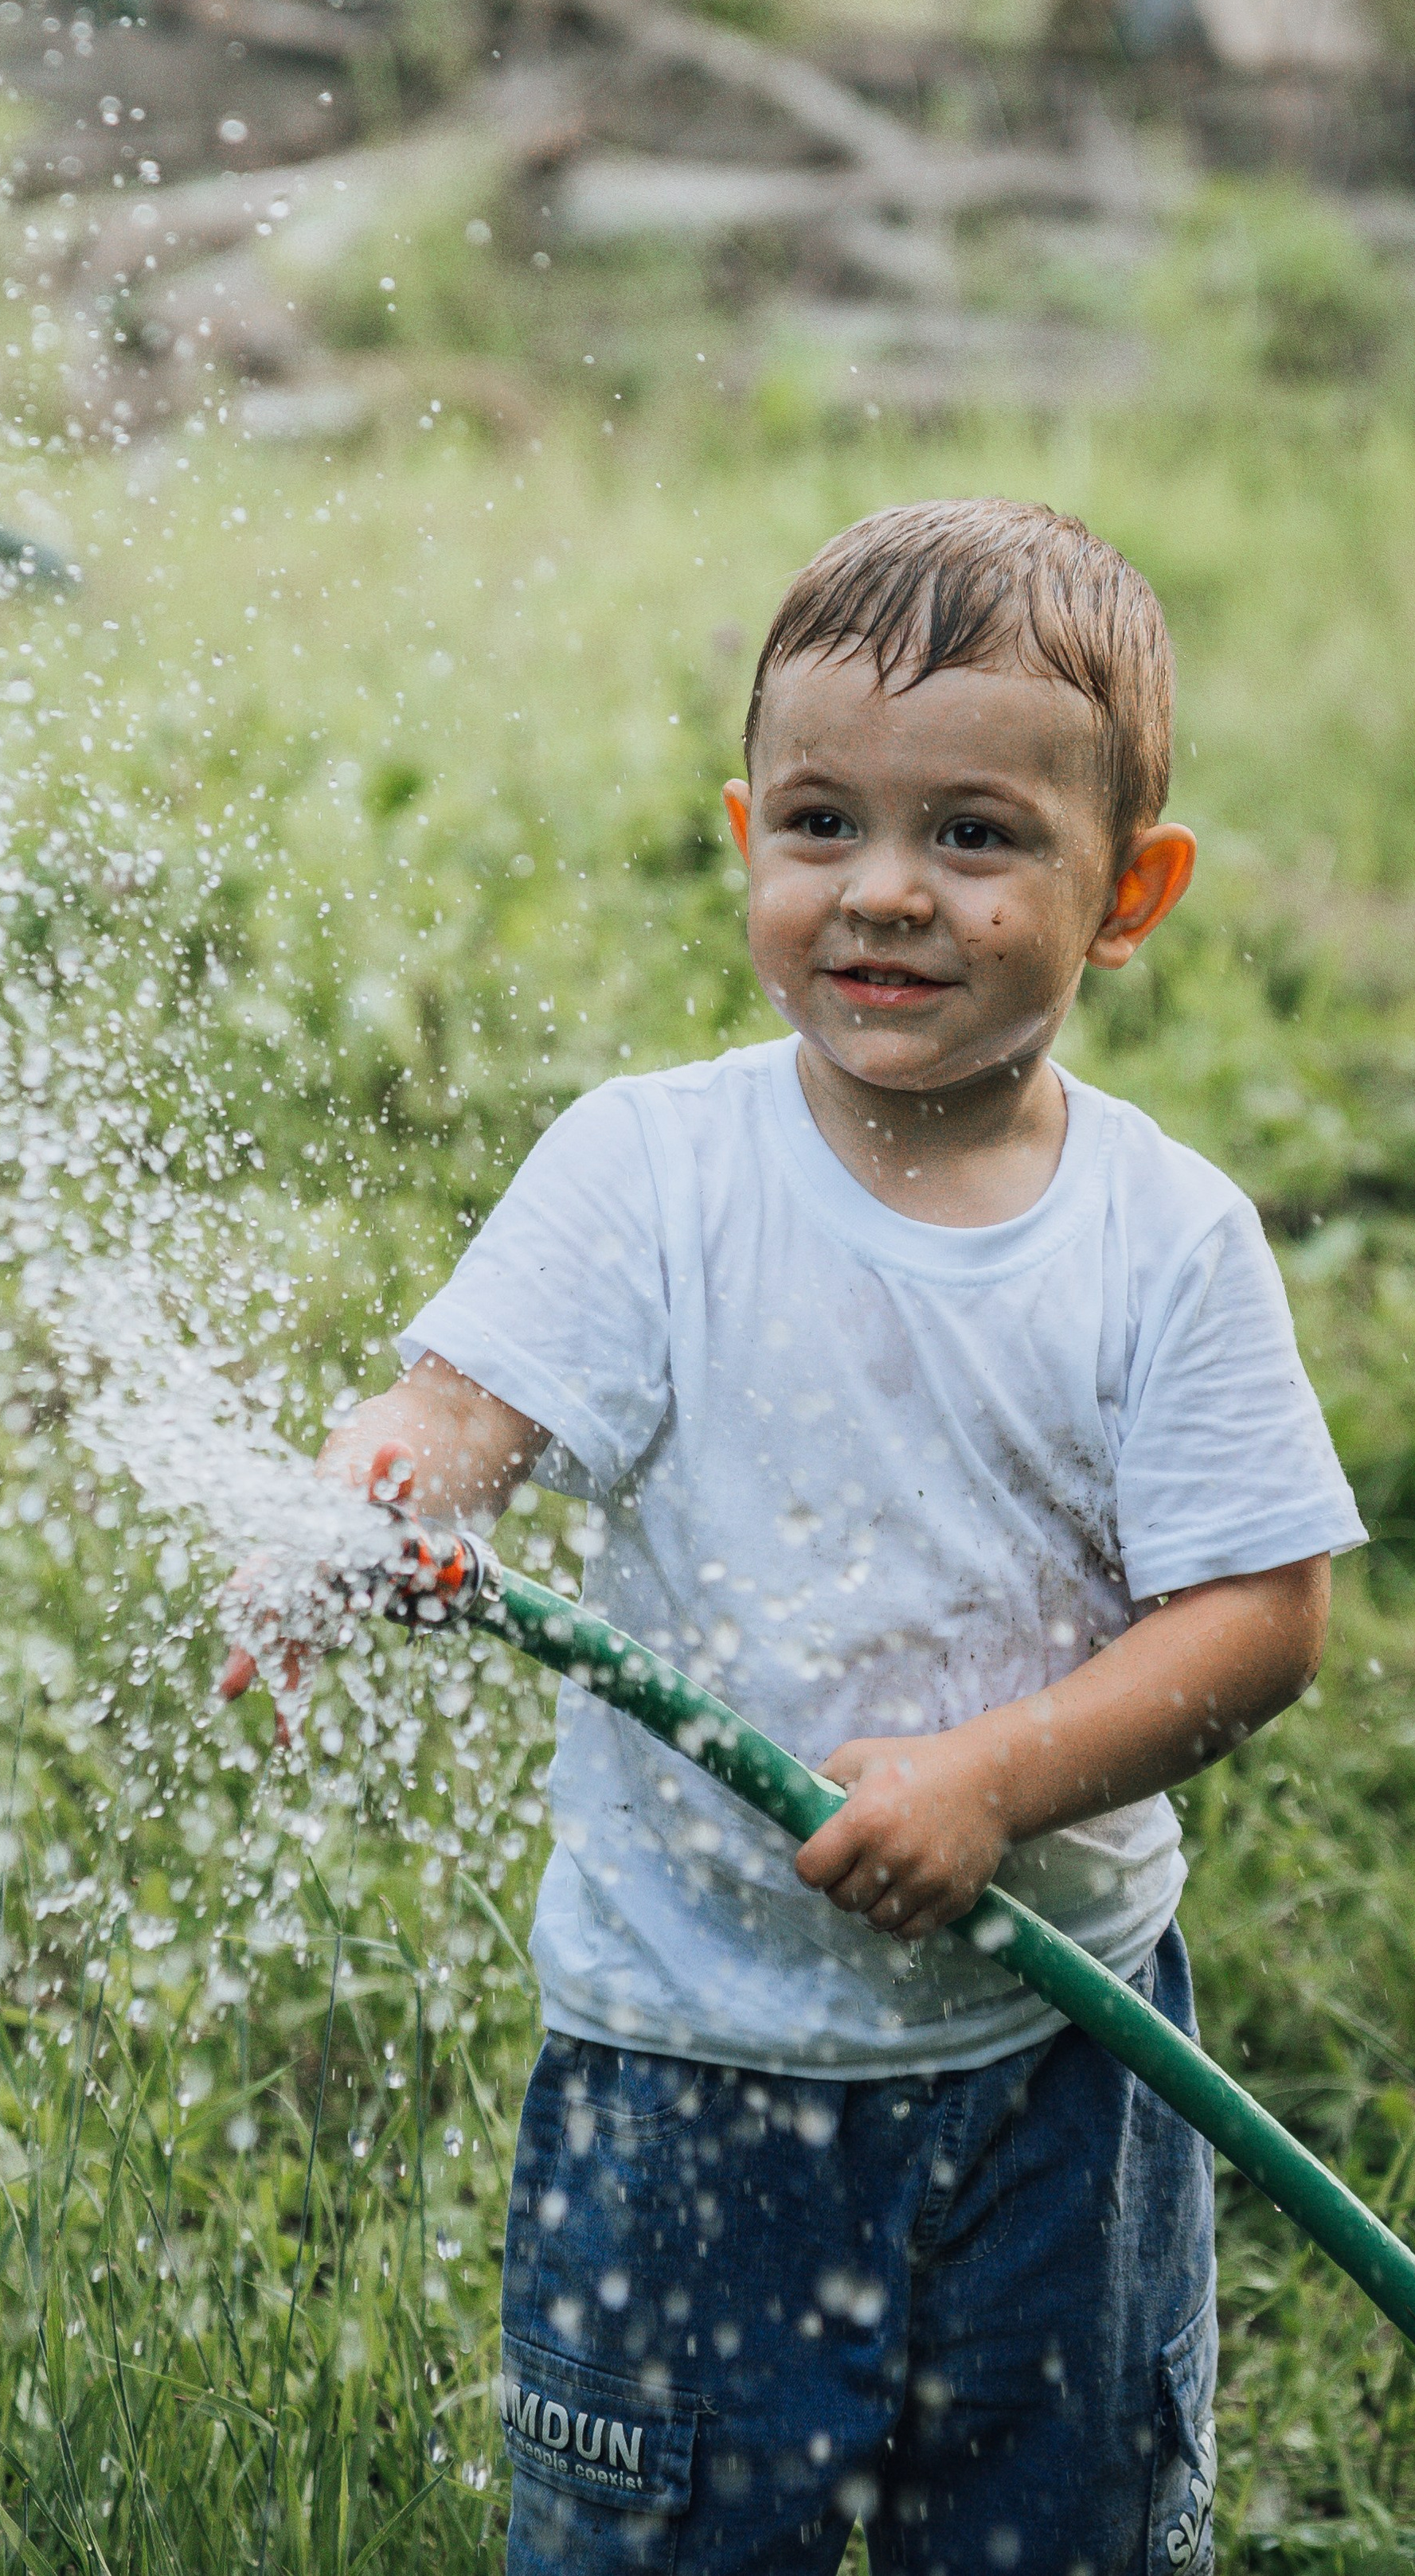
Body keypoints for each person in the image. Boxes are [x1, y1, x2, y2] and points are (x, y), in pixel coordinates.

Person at [220, 498, 1362, 2575]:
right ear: (747, 830)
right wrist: (361, 1498)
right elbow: (458, 1420)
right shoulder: (651, 1173)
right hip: (684, 2076)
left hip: (1057, 2070)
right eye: (825, 823)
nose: (886, 895)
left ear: (1133, 893)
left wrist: (993, 1780)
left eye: (980, 837)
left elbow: (1261, 1621)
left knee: (1061, 2536)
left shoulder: (1162, 1238)